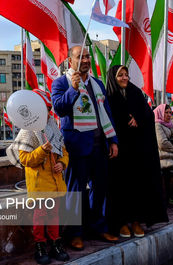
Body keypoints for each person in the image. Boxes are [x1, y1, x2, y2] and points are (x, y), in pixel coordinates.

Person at [51, 45, 119, 250]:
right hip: (77, 146)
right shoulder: (61, 82)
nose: (86, 60)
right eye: (80, 57)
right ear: (69, 61)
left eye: (88, 56)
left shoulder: (97, 84)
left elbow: (106, 112)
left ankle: (98, 227)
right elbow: (59, 109)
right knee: (75, 192)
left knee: (100, 190)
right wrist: (73, 89)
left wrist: (113, 140)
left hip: (100, 146)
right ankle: (75, 233)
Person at [6, 89, 69, 264]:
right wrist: (42, 150)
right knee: (40, 216)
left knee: (54, 215)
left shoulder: (52, 126)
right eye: (45, 108)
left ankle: (56, 243)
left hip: (55, 183)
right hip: (39, 185)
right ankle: (40, 246)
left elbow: (63, 151)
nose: (47, 113)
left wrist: (62, 163)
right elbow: (25, 159)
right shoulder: (27, 131)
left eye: (49, 109)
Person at [105, 65, 168, 238]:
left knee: (137, 185)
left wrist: (138, 118)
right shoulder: (108, 95)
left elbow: (148, 114)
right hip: (117, 150)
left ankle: (135, 221)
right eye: (120, 75)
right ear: (113, 77)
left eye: (126, 75)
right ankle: (121, 222)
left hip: (136, 149)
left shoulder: (135, 92)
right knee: (119, 187)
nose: (125, 78)